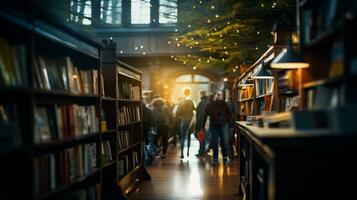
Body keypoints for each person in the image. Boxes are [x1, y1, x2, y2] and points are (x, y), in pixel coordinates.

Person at [201, 90, 232, 165]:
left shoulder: (224, 104)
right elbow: (205, 116)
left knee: (223, 142)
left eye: (221, 95)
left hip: (222, 126)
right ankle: (215, 159)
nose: (220, 96)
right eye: (218, 95)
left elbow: (229, 114)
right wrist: (202, 126)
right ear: (215, 95)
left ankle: (225, 157)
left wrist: (225, 121)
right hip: (213, 126)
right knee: (215, 143)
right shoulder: (210, 105)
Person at [176, 88, 195, 159]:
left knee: (182, 138)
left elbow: (177, 113)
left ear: (184, 93)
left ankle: (182, 153)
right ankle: (188, 152)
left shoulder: (181, 102)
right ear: (189, 93)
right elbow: (194, 111)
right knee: (189, 137)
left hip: (183, 121)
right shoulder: (191, 101)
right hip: (189, 121)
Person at [194, 90, 209, 157]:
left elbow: (201, 115)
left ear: (201, 94)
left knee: (201, 137)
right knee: (203, 137)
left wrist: (198, 126)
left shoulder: (202, 103)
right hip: (205, 123)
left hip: (201, 123)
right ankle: (203, 150)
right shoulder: (207, 102)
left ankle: (201, 151)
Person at [226, 96, 235, 161]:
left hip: (227, 125)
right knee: (230, 141)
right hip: (232, 124)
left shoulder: (226, 104)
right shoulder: (233, 105)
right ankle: (231, 157)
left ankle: (229, 156)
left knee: (227, 141)